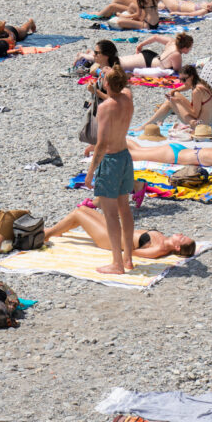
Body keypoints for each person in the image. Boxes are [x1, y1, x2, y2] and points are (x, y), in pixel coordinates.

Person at [84, 66, 135, 274]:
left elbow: (103, 144)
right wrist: (99, 92)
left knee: (111, 214)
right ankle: (128, 258)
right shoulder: (128, 99)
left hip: (111, 160)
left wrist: (90, 173)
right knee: (125, 208)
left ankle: (117, 264)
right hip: (125, 156)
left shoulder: (105, 108)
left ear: (106, 83)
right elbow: (117, 96)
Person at [44, 205, 195, 260]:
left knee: (78, 214)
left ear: (177, 248)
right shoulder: (163, 240)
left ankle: (47, 234)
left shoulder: (159, 249)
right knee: (84, 210)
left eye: (182, 238)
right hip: (116, 230)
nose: (181, 234)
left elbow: (131, 254)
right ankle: (58, 230)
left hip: (109, 239)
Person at [139, 65, 212, 129]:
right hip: (205, 122)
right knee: (175, 94)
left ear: (192, 77)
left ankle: (148, 124)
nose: (182, 82)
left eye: (184, 80)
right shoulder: (199, 82)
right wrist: (174, 90)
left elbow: (195, 114)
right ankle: (159, 119)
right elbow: (186, 86)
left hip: (200, 126)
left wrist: (179, 101)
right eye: (180, 79)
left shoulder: (197, 91)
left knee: (171, 101)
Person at [126, 136, 212, 173]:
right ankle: (109, 148)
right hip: (173, 155)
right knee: (134, 155)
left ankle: (119, 138)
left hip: (176, 150)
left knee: (139, 149)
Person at [119, 32, 193, 73]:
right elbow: (178, 70)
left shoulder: (172, 41)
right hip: (149, 63)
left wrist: (141, 44)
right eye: (190, 48)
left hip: (151, 55)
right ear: (185, 48)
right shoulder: (176, 54)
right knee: (120, 65)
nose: (190, 50)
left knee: (120, 60)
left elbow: (155, 37)